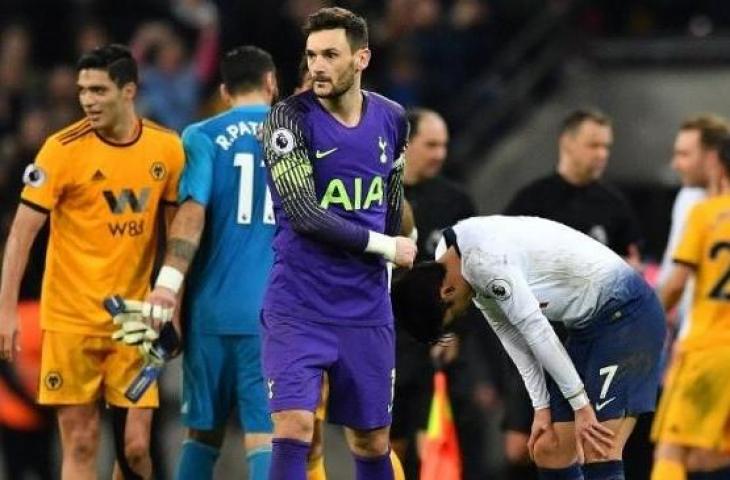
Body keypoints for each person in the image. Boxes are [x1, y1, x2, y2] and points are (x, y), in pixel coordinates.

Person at [0, 44, 184, 479]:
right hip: (71, 321)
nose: (87, 100)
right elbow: (22, 233)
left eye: (99, 90)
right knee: (81, 440)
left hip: (134, 320)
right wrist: (6, 309)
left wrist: (179, 306)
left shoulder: (167, 149)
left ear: (129, 91)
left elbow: (177, 235)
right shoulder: (60, 151)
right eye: (84, 90)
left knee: (136, 448)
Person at [260, 7, 416, 480]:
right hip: (298, 304)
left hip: (365, 308)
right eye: (311, 56)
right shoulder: (286, 120)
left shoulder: (391, 119)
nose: (317, 67)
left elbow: (391, 202)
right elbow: (306, 215)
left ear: (362, 57)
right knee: (296, 424)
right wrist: (388, 248)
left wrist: (400, 245)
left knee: (371, 440)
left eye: (330, 54)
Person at [393, 215, 667, 480]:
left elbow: (537, 332)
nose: (463, 315)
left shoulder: (483, 263)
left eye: (454, 316)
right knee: (550, 449)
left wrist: (582, 407)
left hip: (628, 315)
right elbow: (510, 333)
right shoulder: (451, 257)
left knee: (599, 449)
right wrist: (541, 408)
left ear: (446, 292)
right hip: (587, 327)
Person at [129, 45, 278, 480]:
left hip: (210, 310)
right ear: (272, 84)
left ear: (225, 91)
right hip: (273, 311)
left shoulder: (202, 135)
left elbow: (190, 213)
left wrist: (167, 284)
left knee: (201, 434)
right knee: (266, 434)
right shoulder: (303, 138)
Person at [502, 107, 645, 479]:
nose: (601, 154)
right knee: (524, 447)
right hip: (539, 347)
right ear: (567, 143)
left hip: (596, 350)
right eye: (593, 145)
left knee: (590, 446)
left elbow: (634, 269)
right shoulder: (532, 202)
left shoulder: (613, 205)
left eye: (606, 147)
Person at [391, 107, 484, 479]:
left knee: (434, 444)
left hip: (437, 345)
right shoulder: (379, 195)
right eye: (431, 145)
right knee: (388, 443)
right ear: (407, 145)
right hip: (390, 342)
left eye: (444, 145)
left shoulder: (456, 204)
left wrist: (456, 333)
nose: (440, 154)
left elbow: (475, 276)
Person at [650, 136, 730, 480]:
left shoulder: (706, 214)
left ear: (715, 163)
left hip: (707, 350)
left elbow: (677, 283)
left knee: (672, 450)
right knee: (710, 456)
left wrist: (640, 321)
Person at [657, 114, 729, 333]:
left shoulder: (701, 212)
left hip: (706, 342)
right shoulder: (687, 199)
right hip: (691, 333)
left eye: (684, 154)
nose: (675, 164)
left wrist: (645, 320)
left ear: (711, 157)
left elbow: (676, 282)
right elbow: (672, 268)